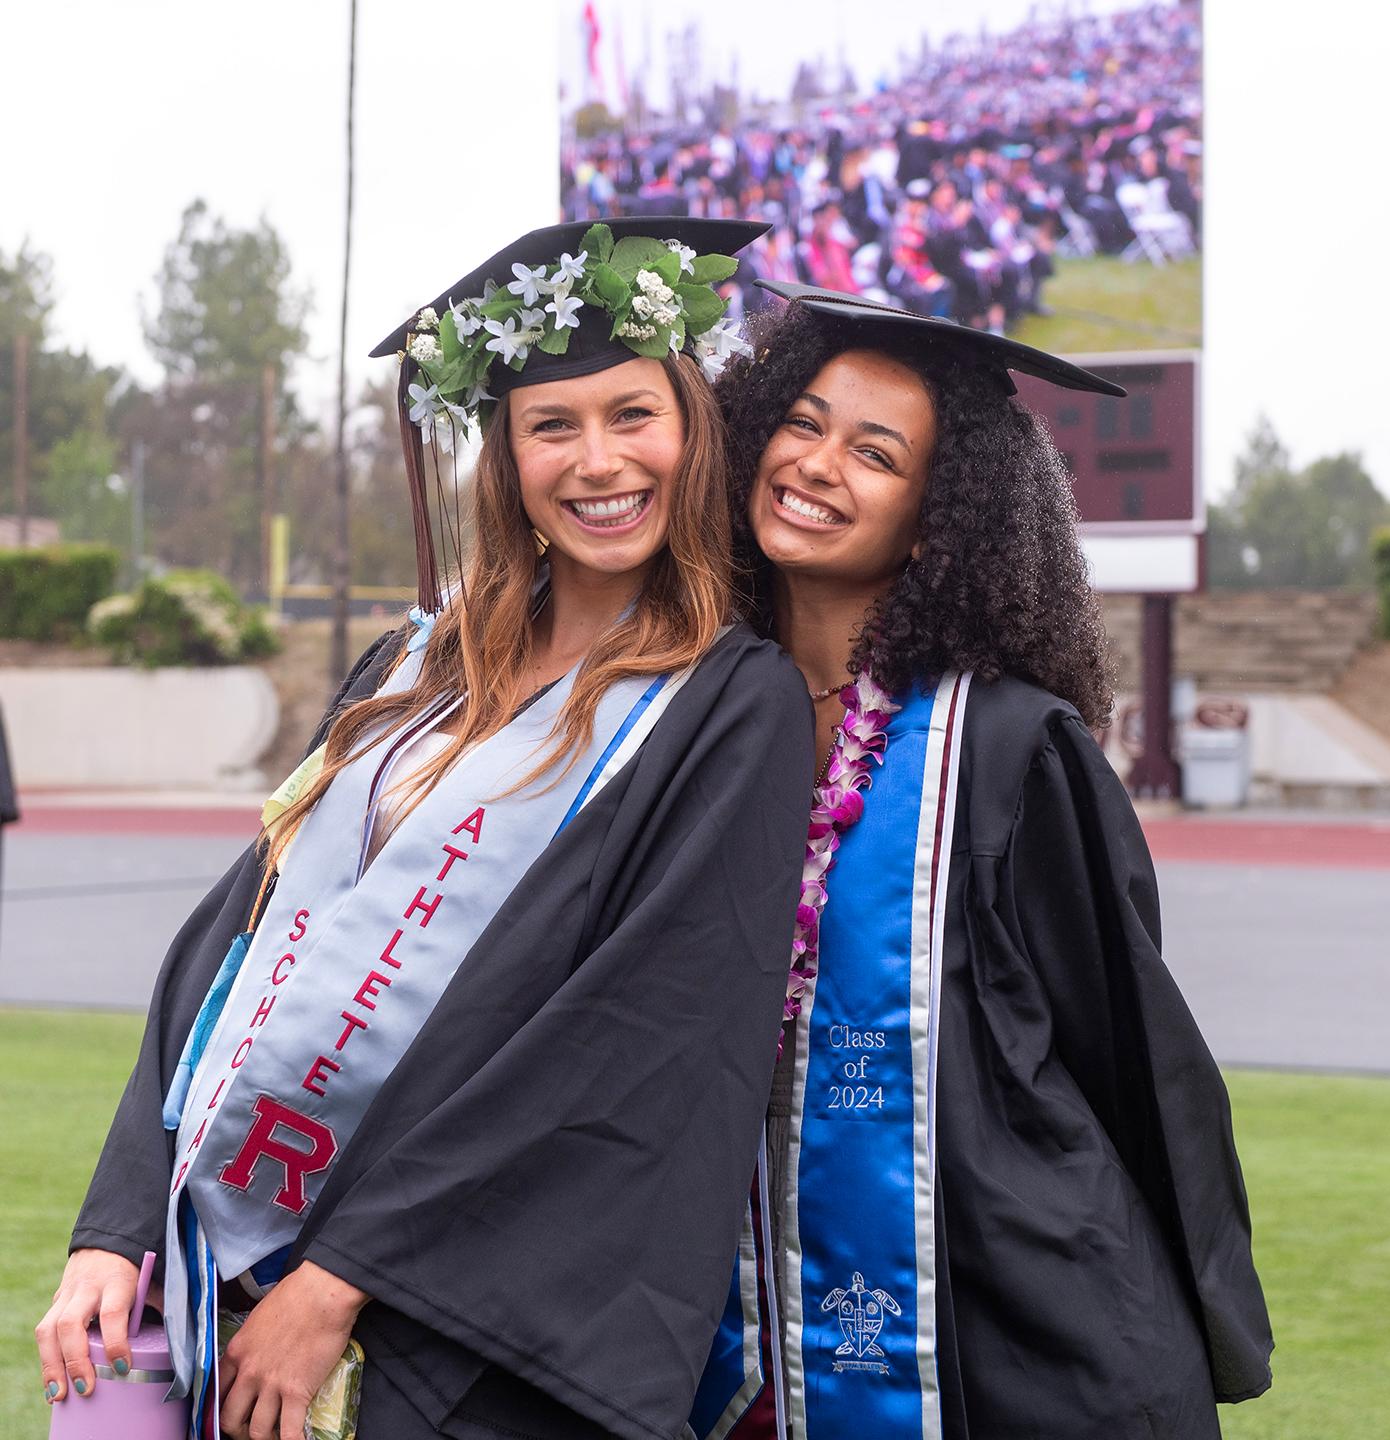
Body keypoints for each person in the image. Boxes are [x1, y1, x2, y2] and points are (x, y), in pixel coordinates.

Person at [35, 219, 816, 1440]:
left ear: (692, 431)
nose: (598, 459)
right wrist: (118, 1224)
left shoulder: (727, 705)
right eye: (551, 426)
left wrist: (345, 1278)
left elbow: (630, 1034)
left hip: (467, 1338)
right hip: (247, 1272)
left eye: (633, 415)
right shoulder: (411, 670)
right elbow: (235, 942)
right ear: (502, 460)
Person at [697, 281, 1273, 1439]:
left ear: (940, 515)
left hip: (999, 1307)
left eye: (874, 452)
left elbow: (1126, 1051)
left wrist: (1169, 1299)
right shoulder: (692, 722)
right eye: (801, 425)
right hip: (749, 1309)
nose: (815, 465)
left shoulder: (1010, 750)